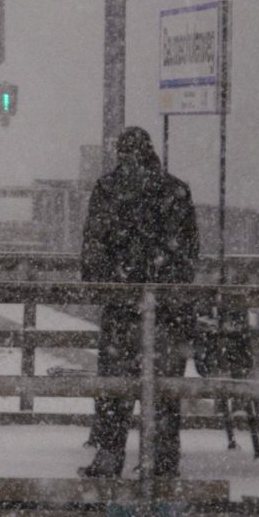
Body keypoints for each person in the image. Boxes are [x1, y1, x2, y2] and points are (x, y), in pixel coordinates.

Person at [79, 126, 200, 480]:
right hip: (167, 309)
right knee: (163, 388)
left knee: (115, 386)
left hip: (122, 306)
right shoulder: (175, 190)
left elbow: (93, 248)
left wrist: (109, 285)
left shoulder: (108, 190)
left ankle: (109, 455)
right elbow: (188, 253)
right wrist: (167, 284)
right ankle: (162, 461)